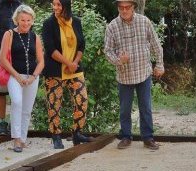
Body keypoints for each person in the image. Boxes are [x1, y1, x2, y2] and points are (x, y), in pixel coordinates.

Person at [104, 0, 164, 150]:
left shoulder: (144, 22)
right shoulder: (112, 26)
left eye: (127, 7)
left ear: (133, 7)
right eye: (121, 7)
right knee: (125, 109)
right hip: (124, 76)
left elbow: (156, 45)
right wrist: (119, 60)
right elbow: (107, 51)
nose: (124, 10)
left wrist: (160, 64)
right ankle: (125, 137)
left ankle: (148, 138)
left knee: (146, 107)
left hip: (143, 72)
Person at [42, 0, 94, 149]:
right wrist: (68, 63)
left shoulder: (76, 22)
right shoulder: (48, 23)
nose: (55, 8)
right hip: (55, 70)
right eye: (54, 4)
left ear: (66, 6)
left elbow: (82, 44)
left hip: (75, 69)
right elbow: (50, 49)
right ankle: (56, 136)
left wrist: (75, 63)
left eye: (59, 5)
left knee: (82, 101)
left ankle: (77, 133)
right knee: (54, 104)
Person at [0, 5, 44, 152]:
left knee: (27, 109)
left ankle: (23, 139)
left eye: (28, 20)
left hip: (31, 77)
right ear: (17, 20)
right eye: (22, 20)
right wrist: (17, 76)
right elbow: (3, 59)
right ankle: (16, 139)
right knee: (17, 102)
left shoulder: (35, 37)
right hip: (14, 75)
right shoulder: (9, 34)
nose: (25, 23)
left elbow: (41, 61)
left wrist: (33, 76)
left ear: (32, 21)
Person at [0, 0, 22, 136]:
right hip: (0, 59)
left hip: (19, 57)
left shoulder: (21, 7)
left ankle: (15, 122)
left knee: (18, 94)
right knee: (0, 92)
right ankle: (2, 122)